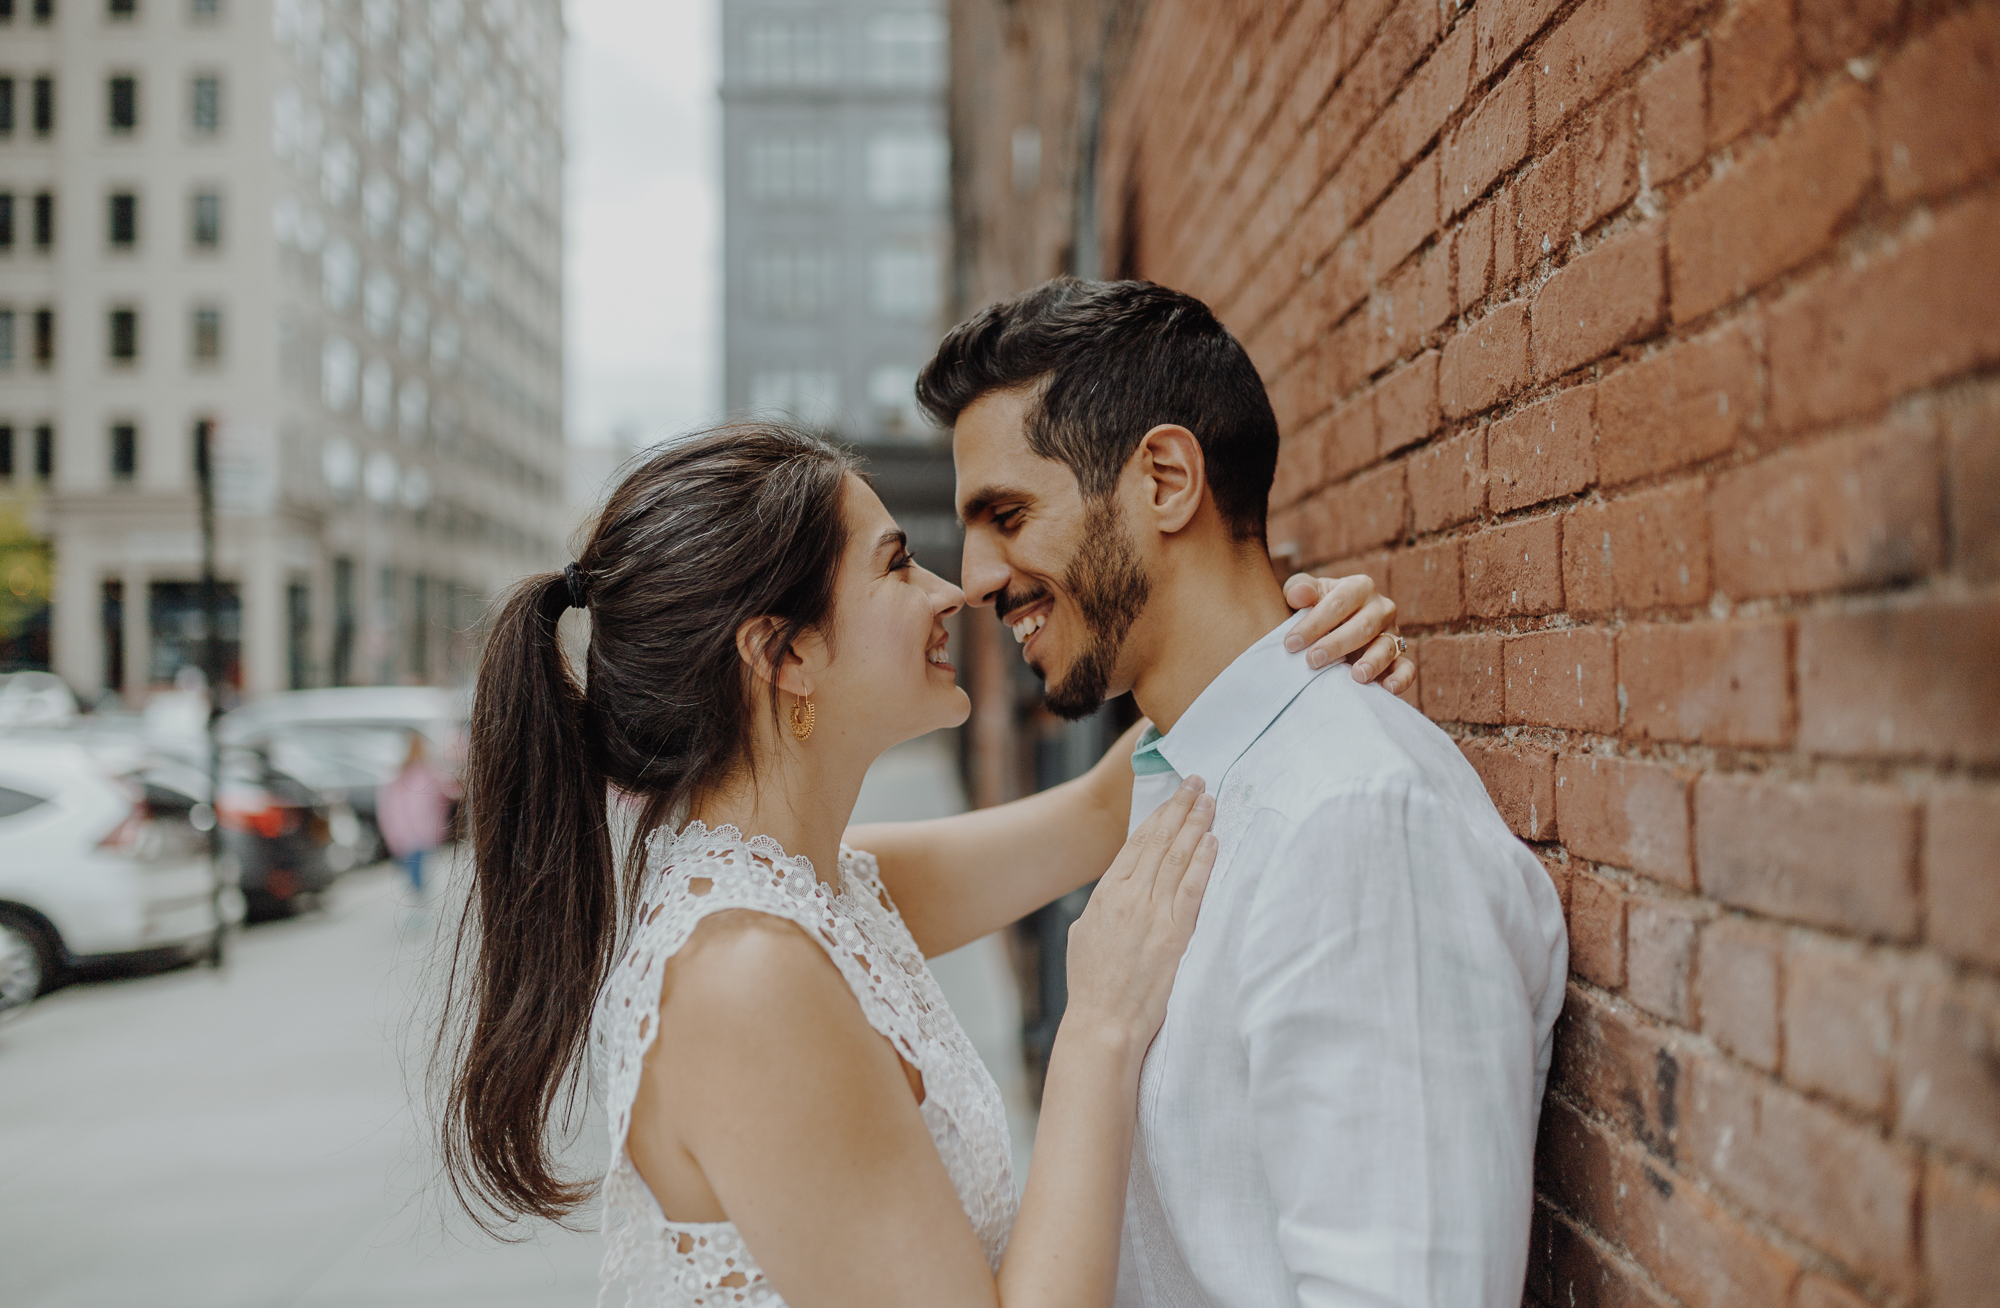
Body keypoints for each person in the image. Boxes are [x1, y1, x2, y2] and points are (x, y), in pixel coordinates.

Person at [435, 423, 1409, 1306]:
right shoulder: (745, 977)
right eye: (896, 566)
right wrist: (1099, 1028)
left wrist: (1299, 640)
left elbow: (1097, 811)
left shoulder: (820, 885)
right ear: (785, 656)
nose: (950, 591)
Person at [881, 277, 1568, 1308]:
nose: (974, 577)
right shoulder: (1187, 772)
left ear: (1164, 478)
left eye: (1009, 514)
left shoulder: (1355, 821)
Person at [377, 731, 457, 901]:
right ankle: (419, 900)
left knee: (415, 868)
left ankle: (419, 900)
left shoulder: (420, 774)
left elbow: (444, 794)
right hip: (411, 830)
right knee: (415, 868)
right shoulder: (405, 777)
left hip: (415, 830)